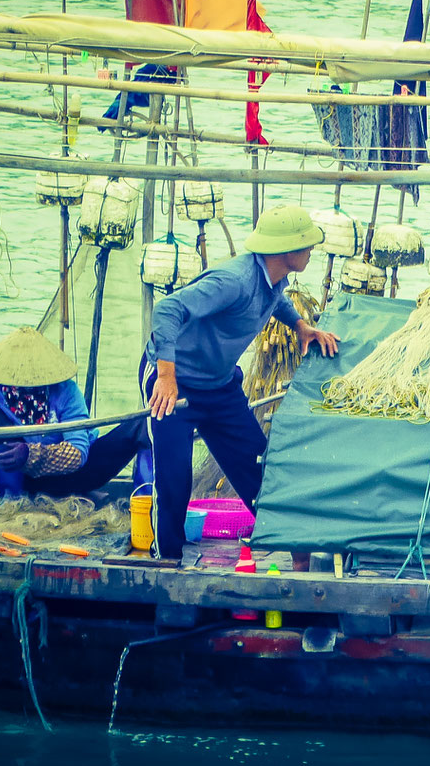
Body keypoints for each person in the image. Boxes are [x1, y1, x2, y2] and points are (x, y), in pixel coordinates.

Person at [137, 202, 339, 558]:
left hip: (219, 385)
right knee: (174, 480)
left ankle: (293, 546)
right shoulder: (233, 281)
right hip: (175, 382)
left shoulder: (275, 278)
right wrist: (166, 375)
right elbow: (167, 309)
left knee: (257, 467)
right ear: (286, 250)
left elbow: (275, 301)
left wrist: (301, 327)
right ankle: (166, 561)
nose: (311, 251)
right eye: (307, 245)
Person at [0, 326, 124, 498]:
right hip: (24, 478)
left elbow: (78, 453)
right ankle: (11, 497)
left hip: (72, 475)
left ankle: (79, 492)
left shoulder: (66, 391)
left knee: (133, 431)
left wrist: (30, 454)